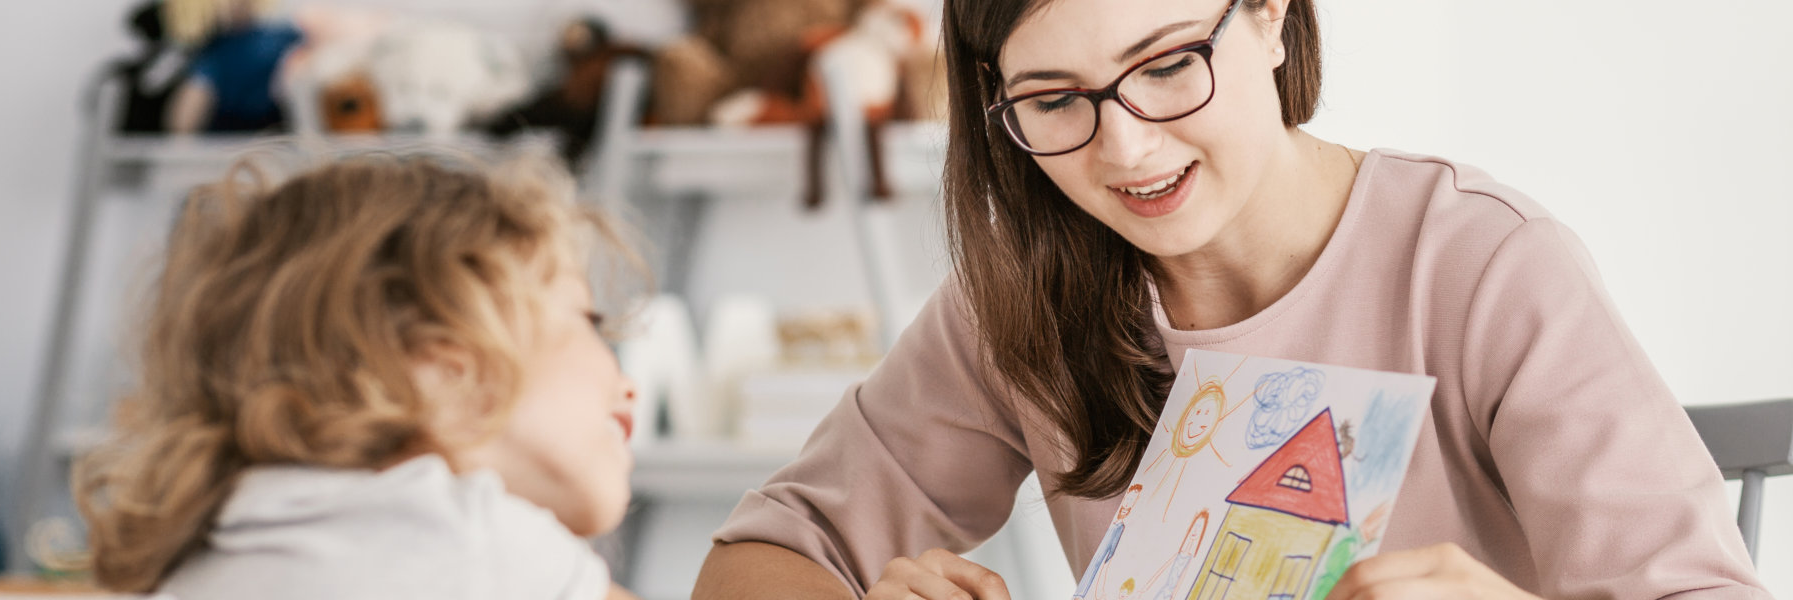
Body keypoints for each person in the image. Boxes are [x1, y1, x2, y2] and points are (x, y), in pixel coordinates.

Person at [692, 0, 1770, 598]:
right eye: (1055, 100)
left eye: (1168, 65)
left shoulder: (1481, 264)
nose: (1126, 149)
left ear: (1270, 17)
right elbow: (758, 561)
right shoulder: (1021, 298)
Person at [72, 151, 642, 599]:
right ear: (443, 370)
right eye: (588, 319)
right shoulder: (465, 537)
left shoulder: (213, 549)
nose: (627, 381)